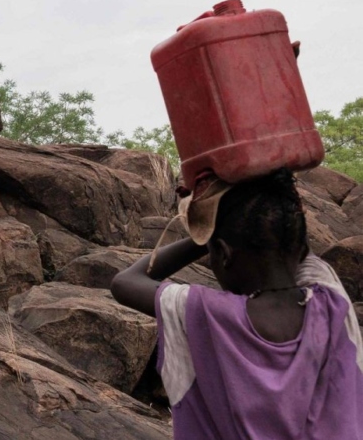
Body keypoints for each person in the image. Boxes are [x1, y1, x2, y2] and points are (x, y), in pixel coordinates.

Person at [111, 169, 363, 439]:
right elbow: (297, 243)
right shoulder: (332, 303)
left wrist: (204, 233)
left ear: (222, 253)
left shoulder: (207, 312)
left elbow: (125, 282)